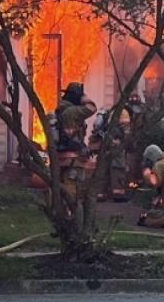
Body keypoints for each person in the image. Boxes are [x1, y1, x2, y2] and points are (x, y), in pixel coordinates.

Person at [52, 83, 97, 222]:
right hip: (73, 158)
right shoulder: (72, 111)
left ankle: (61, 212)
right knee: (72, 186)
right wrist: (85, 98)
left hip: (62, 157)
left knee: (63, 185)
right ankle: (70, 214)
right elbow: (91, 108)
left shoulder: (61, 110)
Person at [89, 109, 130, 203]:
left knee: (103, 172)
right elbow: (125, 136)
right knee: (118, 171)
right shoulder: (116, 127)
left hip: (104, 152)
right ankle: (118, 195)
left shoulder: (105, 127)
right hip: (115, 153)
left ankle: (100, 194)